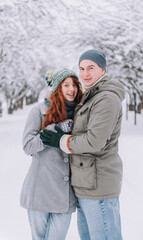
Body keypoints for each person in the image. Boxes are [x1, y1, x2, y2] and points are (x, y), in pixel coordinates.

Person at [40, 50, 125, 240]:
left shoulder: (106, 99)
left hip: (98, 187)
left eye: (91, 68)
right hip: (85, 185)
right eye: (81, 68)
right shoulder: (91, 96)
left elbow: (94, 141)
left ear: (102, 70)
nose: (85, 73)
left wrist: (61, 141)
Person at [20, 68, 83, 240]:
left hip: (65, 194)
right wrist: (53, 130)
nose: (72, 89)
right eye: (66, 85)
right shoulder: (38, 111)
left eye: (74, 85)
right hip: (40, 190)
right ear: (57, 88)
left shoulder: (81, 113)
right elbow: (27, 146)